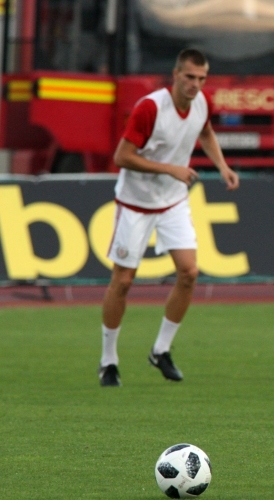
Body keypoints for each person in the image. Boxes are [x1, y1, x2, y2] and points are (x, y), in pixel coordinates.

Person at [98, 48, 239, 387]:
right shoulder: (151, 107)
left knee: (189, 272)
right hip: (135, 202)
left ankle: (160, 350)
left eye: (202, 79)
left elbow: (204, 132)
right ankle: (108, 360)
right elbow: (122, 156)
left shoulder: (201, 103)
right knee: (123, 281)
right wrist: (170, 169)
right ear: (175, 75)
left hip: (173, 202)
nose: (195, 85)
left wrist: (222, 165)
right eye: (190, 77)